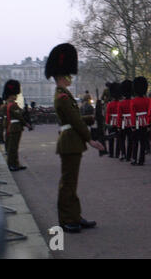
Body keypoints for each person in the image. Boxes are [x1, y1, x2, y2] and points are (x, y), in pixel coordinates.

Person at [45, 43, 104, 233]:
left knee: (72, 183)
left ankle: (75, 216)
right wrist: (90, 139)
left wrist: (89, 118)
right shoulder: (62, 96)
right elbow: (74, 121)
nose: (71, 78)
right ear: (62, 76)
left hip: (71, 141)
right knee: (68, 183)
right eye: (69, 75)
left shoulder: (64, 95)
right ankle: (66, 219)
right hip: (70, 141)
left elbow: (76, 118)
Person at [3, 80, 32, 171]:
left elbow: (21, 112)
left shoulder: (11, 105)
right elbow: (19, 116)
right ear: (11, 95)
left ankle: (15, 163)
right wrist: (27, 124)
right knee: (13, 148)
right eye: (15, 95)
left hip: (14, 127)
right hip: (15, 127)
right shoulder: (12, 105)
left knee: (14, 147)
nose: (16, 96)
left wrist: (26, 110)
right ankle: (11, 164)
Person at [130, 77, 149, 166]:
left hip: (137, 122)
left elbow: (133, 114)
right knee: (143, 142)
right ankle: (141, 160)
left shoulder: (133, 101)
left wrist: (133, 125)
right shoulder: (147, 100)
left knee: (135, 142)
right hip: (145, 122)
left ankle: (134, 158)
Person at [117, 80, 134, 162]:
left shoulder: (121, 103)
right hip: (131, 122)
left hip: (123, 122)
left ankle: (123, 153)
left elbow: (119, 115)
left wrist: (119, 125)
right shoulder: (133, 101)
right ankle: (129, 156)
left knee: (122, 139)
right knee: (130, 140)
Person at [105, 82, 121, 158]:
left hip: (111, 121)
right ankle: (117, 153)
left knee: (111, 138)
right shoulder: (121, 103)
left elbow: (108, 114)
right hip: (119, 121)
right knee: (118, 138)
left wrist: (107, 122)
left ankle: (111, 153)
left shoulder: (110, 104)